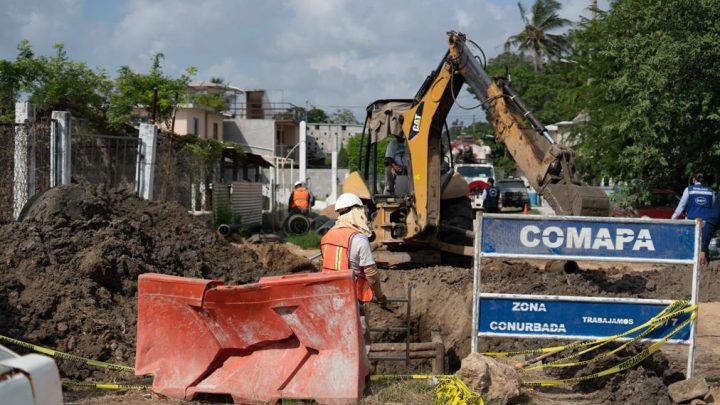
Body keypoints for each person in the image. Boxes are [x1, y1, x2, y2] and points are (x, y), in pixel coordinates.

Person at [320, 193, 387, 305]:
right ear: (356, 211)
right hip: (350, 298)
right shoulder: (359, 238)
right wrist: (380, 296)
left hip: (329, 295)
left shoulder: (326, 236)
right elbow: (371, 274)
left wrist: (374, 245)